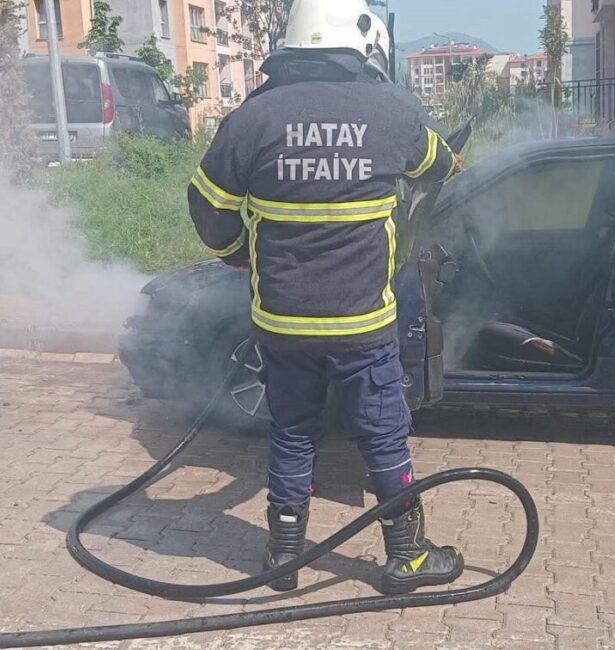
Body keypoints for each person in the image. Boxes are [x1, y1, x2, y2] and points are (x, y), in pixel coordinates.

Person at [187, 0, 464, 595]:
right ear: (362, 45)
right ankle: (408, 556)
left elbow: (207, 207)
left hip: (282, 324)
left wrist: (238, 253)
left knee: (292, 431)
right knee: (382, 435)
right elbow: (441, 162)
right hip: (363, 323)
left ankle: (283, 557)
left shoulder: (252, 118)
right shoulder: (390, 111)